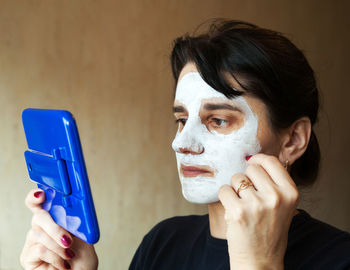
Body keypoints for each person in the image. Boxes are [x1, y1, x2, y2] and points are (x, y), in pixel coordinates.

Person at [20, 20, 350, 270]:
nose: (181, 143)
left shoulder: (339, 258)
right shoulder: (162, 242)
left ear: (292, 140)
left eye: (218, 119)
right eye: (181, 119)